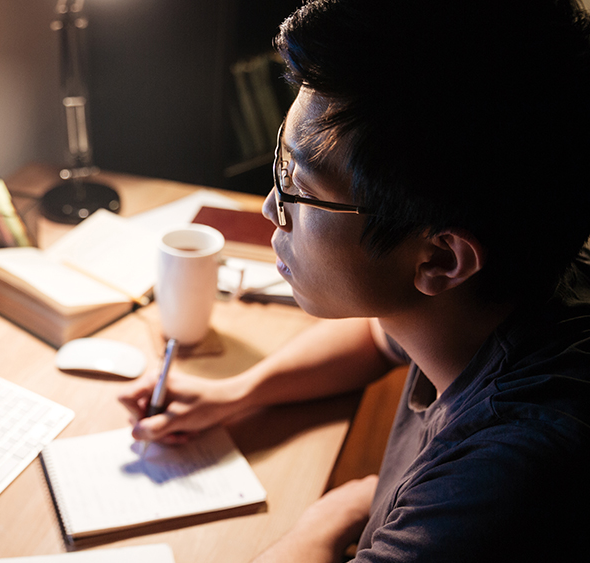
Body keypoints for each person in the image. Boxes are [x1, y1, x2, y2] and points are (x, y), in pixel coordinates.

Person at [119, 0, 590, 561]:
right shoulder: (505, 297)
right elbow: (377, 338)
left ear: (441, 260)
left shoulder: (495, 485)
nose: (272, 208)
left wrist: (322, 522)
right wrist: (235, 393)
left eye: (302, 187)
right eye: (281, 165)